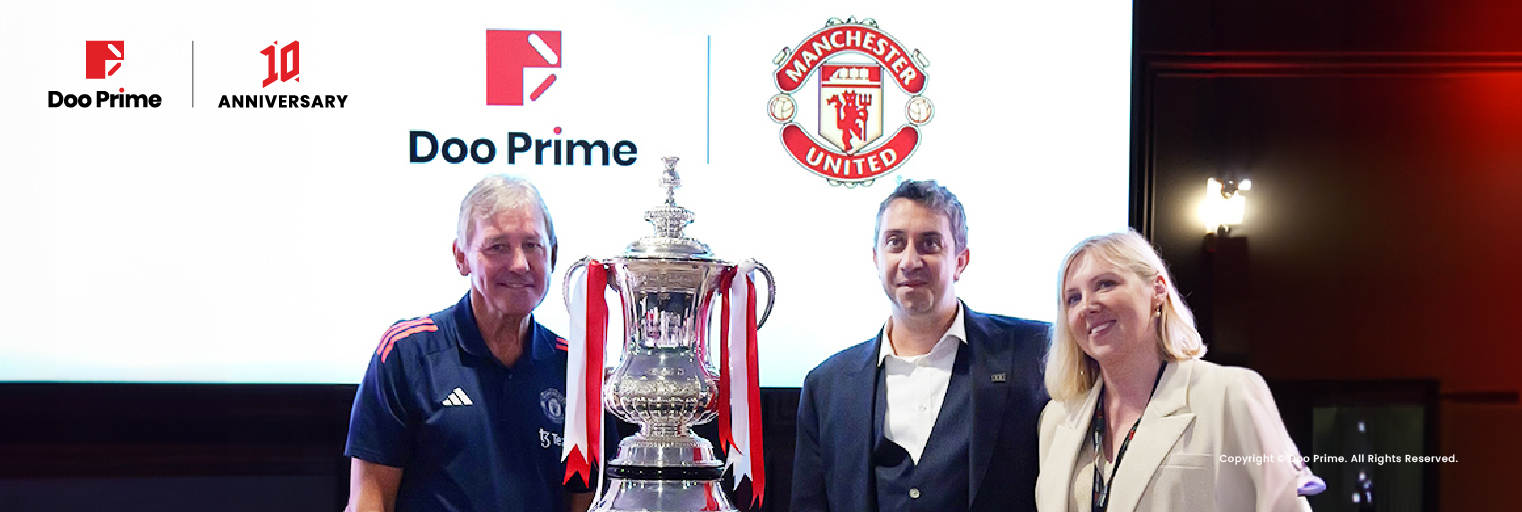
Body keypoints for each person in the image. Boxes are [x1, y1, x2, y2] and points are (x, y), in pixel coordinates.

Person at [792, 180, 1051, 512]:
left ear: (960, 261)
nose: (910, 261)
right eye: (895, 242)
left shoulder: (1034, 353)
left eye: (929, 243)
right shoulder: (826, 386)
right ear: (876, 258)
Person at [344, 175, 593, 512]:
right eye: (498, 247)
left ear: (553, 255)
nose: (519, 264)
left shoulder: (573, 367)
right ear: (461, 257)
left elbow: (586, 502)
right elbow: (370, 501)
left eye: (532, 245)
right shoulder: (407, 354)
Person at [1035, 230, 1316, 512]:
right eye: (1073, 298)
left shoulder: (1230, 393)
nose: (1087, 306)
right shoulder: (1057, 418)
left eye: (1105, 284)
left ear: (1158, 290)